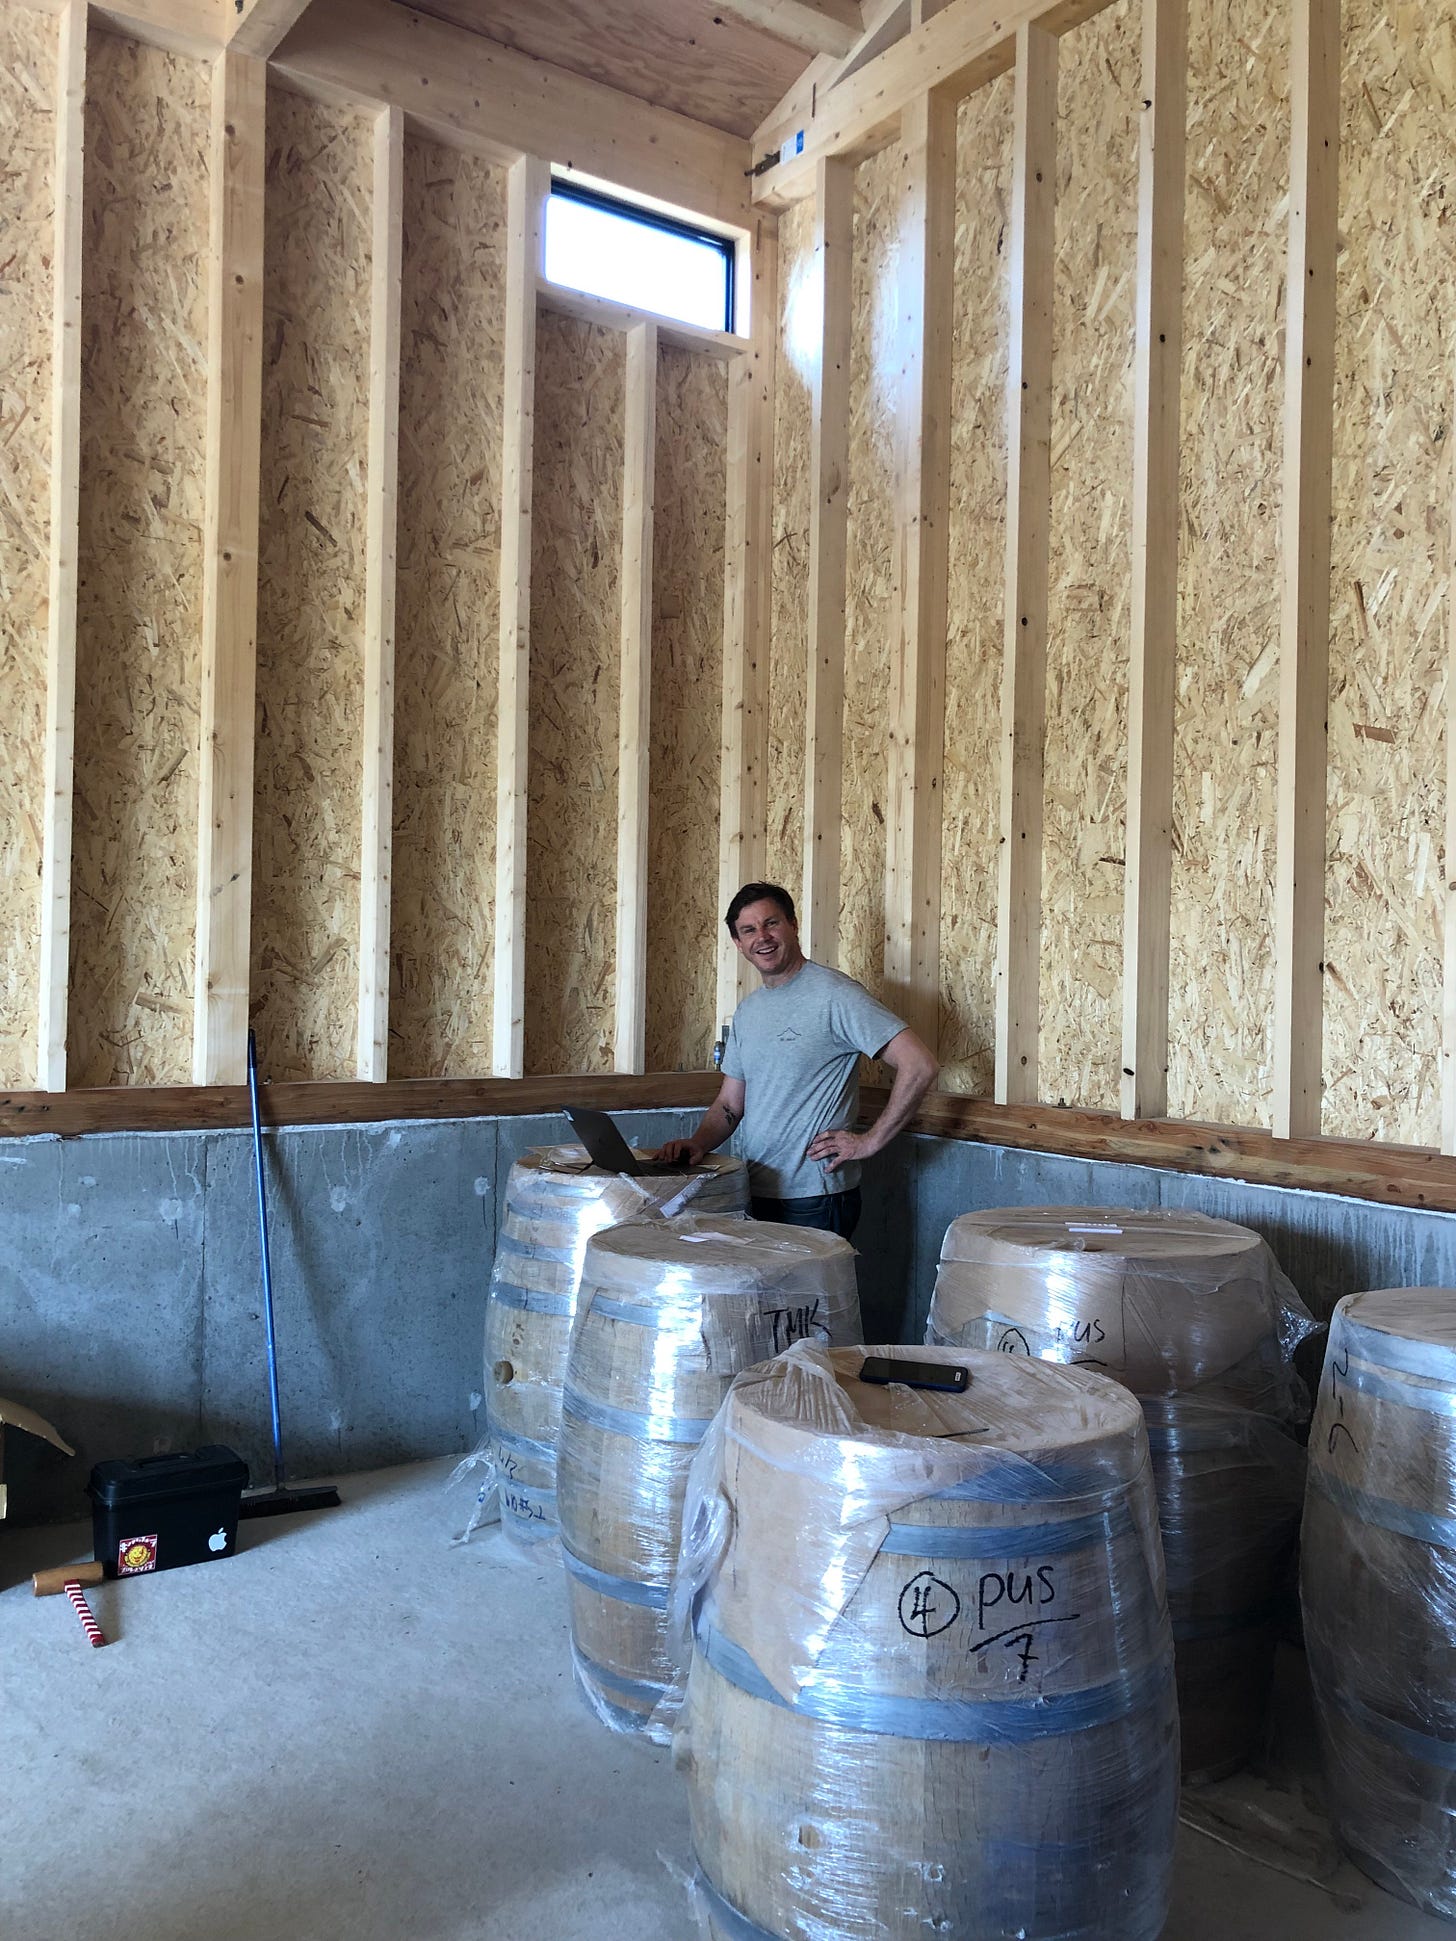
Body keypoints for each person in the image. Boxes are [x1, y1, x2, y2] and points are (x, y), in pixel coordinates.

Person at [655, 882, 938, 1238]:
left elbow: (920, 1064)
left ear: (792, 924)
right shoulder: (749, 1011)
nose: (763, 937)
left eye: (771, 923)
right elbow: (730, 1103)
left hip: (815, 1198)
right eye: (749, 930)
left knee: (810, 1296)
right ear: (738, 944)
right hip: (755, 1189)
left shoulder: (835, 995)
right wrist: (698, 1144)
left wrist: (869, 1141)